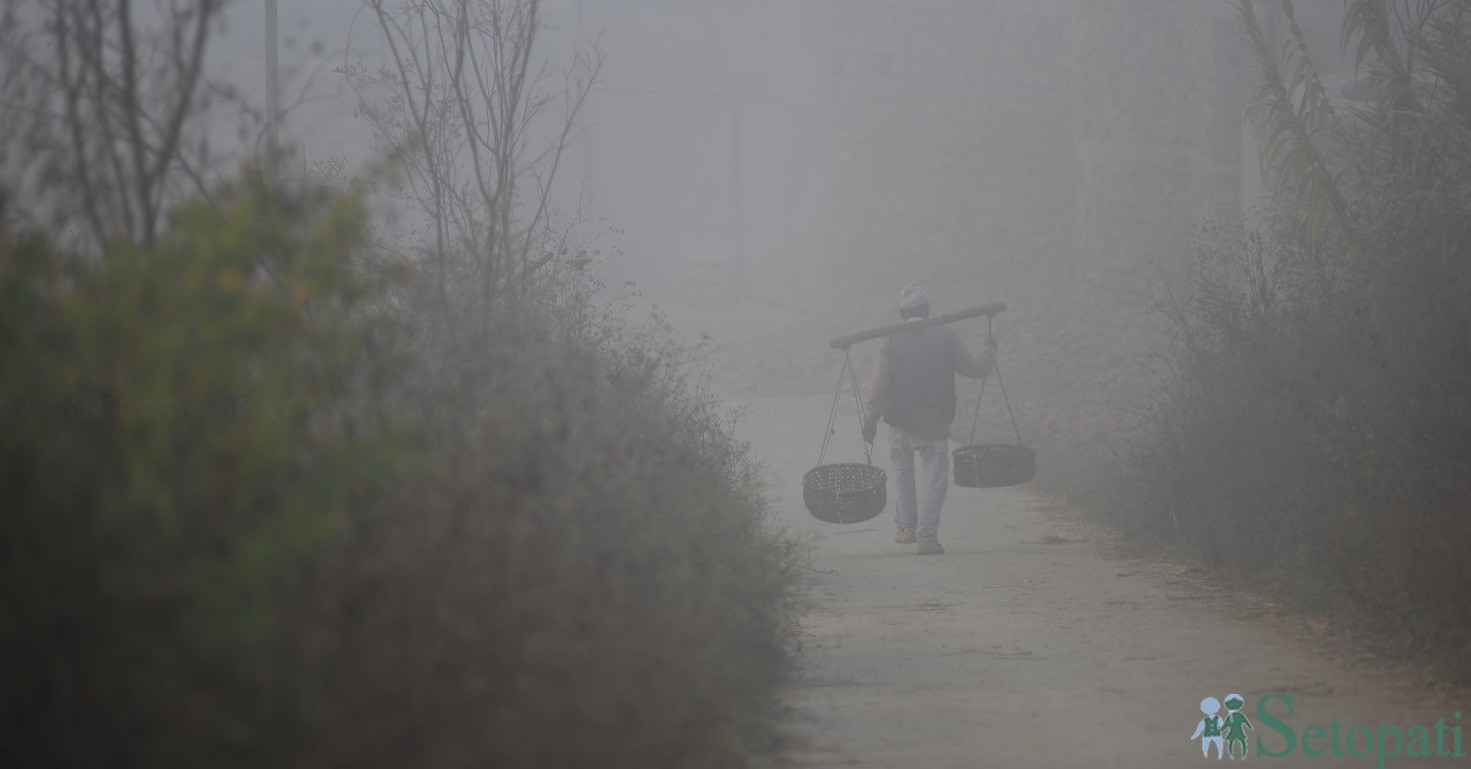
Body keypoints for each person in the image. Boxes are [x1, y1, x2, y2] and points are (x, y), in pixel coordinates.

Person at [861, 283, 995, 555]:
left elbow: (879, 386)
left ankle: (906, 529)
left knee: (902, 474)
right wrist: (990, 352)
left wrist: (870, 419)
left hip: (900, 422)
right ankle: (928, 538)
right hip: (935, 421)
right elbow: (975, 368)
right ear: (928, 309)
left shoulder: (889, 341)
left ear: (901, 313)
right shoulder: (947, 337)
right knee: (935, 480)